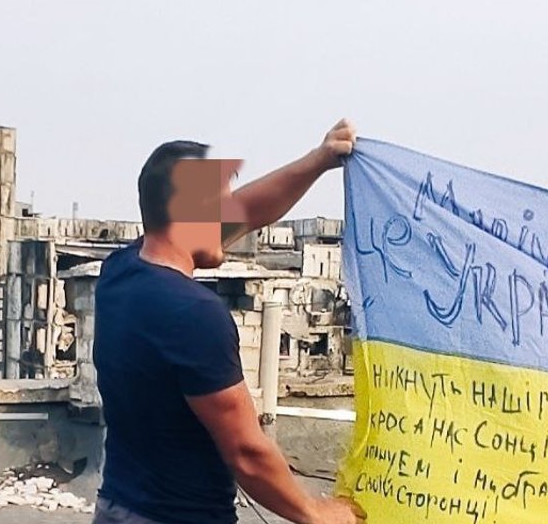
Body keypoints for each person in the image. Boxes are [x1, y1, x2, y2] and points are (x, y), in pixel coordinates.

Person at [92, 120, 366, 524]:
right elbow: (246, 452)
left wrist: (319, 159)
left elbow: (250, 210)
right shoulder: (194, 313)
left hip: (116, 508)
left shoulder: (119, 272)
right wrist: (317, 513)